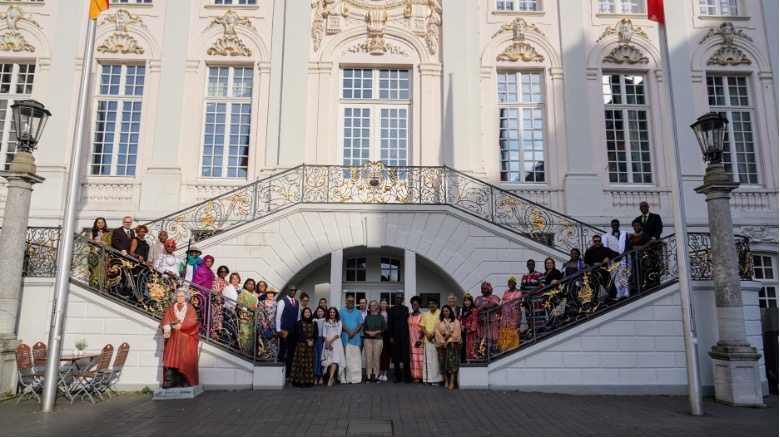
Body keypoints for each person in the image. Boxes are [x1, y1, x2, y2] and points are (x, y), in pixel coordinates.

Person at [159, 288, 199, 388]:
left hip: (185, 338)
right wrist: (168, 328)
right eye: (178, 296)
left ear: (186, 297)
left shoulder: (190, 309)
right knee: (170, 358)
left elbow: (193, 321)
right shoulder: (171, 308)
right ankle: (170, 380)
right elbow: (165, 321)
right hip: (173, 338)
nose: (179, 298)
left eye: (181, 296)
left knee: (185, 358)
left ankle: (185, 379)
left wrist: (182, 325)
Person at [634, 201, 664, 288]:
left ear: (648, 207)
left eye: (644, 206)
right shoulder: (638, 219)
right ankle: (644, 284)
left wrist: (654, 238)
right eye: (641, 206)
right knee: (643, 265)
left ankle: (655, 283)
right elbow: (637, 229)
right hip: (643, 246)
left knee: (654, 263)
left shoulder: (655, 217)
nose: (643, 208)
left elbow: (659, 229)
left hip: (653, 245)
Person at [276, 284, 302, 378]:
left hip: (293, 331)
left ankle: (288, 373)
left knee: (291, 351)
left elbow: (298, 318)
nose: (293, 292)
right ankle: (280, 373)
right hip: (284, 330)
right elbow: (278, 317)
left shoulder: (297, 302)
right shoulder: (282, 301)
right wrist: (278, 330)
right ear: (288, 291)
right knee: (283, 350)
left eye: (295, 290)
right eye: (291, 290)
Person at [583, 235, 619, 299]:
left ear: (601, 241)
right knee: (594, 290)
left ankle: (612, 301)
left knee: (611, 288)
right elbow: (586, 261)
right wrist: (594, 263)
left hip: (605, 272)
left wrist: (608, 257)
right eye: (595, 241)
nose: (597, 243)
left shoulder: (606, 249)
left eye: (598, 241)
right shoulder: (589, 251)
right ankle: (595, 304)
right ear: (593, 242)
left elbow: (617, 254)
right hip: (594, 273)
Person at [435, 304, 462, 390]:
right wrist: (443, 342)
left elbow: (457, 334)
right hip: (442, 345)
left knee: (452, 364)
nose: (445, 313)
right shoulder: (439, 321)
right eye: (444, 311)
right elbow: (437, 332)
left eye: (447, 311)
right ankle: (446, 381)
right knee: (443, 363)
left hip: (452, 345)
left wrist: (448, 341)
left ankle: (452, 382)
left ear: (450, 311)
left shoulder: (456, 321)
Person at [602, 219, 631, 299]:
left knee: (624, 274)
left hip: (623, 257)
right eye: (614, 225)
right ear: (611, 226)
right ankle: (618, 292)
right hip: (613, 259)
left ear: (619, 225)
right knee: (615, 276)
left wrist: (623, 254)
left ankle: (626, 291)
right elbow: (606, 248)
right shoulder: (606, 236)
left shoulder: (624, 234)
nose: (615, 226)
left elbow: (627, 246)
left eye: (616, 225)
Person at [290, 307, 318, 387]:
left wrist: (312, 340)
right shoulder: (299, 323)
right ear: (303, 314)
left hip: (310, 346)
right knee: (301, 363)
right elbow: (299, 333)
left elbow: (316, 334)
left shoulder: (314, 323)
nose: (307, 314)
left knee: (309, 363)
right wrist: (307, 341)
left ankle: (309, 381)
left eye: (309, 312)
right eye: (305, 312)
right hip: (301, 346)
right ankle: (299, 381)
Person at [339, 295, 364, 384]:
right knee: (346, 360)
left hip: (355, 339)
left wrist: (353, 332)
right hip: (345, 338)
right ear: (346, 301)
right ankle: (346, 378)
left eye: (352, 301)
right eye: (349, 301)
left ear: (354, 302)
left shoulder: (358, 312)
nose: (350, 302)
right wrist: (349, 332)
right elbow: (340, 323)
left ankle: (356, 378)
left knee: (355, 360)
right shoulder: (341, 311)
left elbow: (361, 324)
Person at [388, 293, 410, 383]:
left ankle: (407, 377)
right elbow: (389, 324)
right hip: (395, 337)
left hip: (405, 336)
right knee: (396, 358)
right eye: (398, 298)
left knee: (406, 358)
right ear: (395, 298)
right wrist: (391, 337)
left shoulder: (406, 309)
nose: (399, 299)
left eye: (401, 298)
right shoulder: (391, 309)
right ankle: (397, 377)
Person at [421, 298, 442, 385]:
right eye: (429, 304)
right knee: (427, 360)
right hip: (427, 340)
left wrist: (433, 334)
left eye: (433, 303)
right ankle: (428, 379)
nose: (431, 305)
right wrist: (427, 334)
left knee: (436, 361)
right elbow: (422, 326)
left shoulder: (440, 313)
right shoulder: (425, 314)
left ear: (436, 305)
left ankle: (436, 380)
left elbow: (441, 326)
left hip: (436, 340)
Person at [363, 300, 385, 384]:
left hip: (378, 339)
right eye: (371, 305)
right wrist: (368, 332)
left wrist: (376, 332)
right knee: (368, 358)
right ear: (369, 306)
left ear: (377, 306)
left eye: (374, 305)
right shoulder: (367, 317)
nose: (373, 307)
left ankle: (376, 376)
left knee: (376, 358)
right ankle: (368, 376)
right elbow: (364, 329)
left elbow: (384, 328)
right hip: (368, 339)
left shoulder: (381, 317)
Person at [475, 281, 500, 355]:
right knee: (482, 337)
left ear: (489, 289)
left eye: (485, 289)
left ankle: (492, 352)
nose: (484, 290)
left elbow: (494, 304)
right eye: (482, 289)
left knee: (491, 336)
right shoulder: (477, 298)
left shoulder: (494, 297)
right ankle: (482, 353)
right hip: (480, 322)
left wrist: (483, 307)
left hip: (491, 322)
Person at [321, 307, 345, 387]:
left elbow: (338, 333)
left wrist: (330, 342)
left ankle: (330, 378)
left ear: (336, 313)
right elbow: (324, 333)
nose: (332, 313)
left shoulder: (339, 322)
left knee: (335, 360)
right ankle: (332, 379)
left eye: (333, 312)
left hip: (336, 342)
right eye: (330, 312)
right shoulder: (325, 322)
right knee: (328, 360)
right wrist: (327, 342)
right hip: (327, 342)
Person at [499, 276, 524, 352]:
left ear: (515, 283)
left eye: (512, 282)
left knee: (513, 330)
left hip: (514, 315)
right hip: (505, 315)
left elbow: (516, 302)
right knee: (504, 330)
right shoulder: (506, 292)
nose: (510, 283)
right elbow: (502, 301)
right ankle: (504, 348)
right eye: (509, 282)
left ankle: (514, 348)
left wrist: (506, 303)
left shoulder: (518, 292)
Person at [629, 220, 652, 293]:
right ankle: (636, 288)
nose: (636, 227)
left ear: (641, 226)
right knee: (635, 273)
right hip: (634, 259)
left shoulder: (645, 235)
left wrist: (640, 247)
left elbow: (649, 245)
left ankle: (644, 288)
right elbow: (629, 246)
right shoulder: (632, 237)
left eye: (638, 225)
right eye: (634, 225)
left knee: (643, 273)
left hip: (643, 258)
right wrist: (633, 248)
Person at [237, 278, 259, 354]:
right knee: (245, 335)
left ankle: (250, 353)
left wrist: (256, 308)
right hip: (244, 319)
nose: (251, 285)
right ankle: (244, 352)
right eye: (249, 284)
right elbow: (239, 305)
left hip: (252, 319)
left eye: (252, 284)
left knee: (251, 337)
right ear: (246, 285)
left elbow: (256, 306)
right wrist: (249, 308)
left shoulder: (255, 295)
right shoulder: (242, 294)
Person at [257, 287, 279, 361]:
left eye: (271, 293)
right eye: (269, 293)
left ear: (273, 295)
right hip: (265, 326)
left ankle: (273, 359)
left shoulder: (277, 303)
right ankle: (263, 359)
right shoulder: (261, 303)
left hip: (274, 327)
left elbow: (278, 315)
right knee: (264, 343)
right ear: (266, 294)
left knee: (273, 344)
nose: (270, 295)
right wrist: (263, 322)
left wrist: (277, 328)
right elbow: (260, 313)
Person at [209, 265, 229, 340]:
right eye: (221, 271)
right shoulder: (216, 281)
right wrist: (223, 295)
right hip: (218, 304)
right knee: (216, 321)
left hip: (223, 304)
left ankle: (220, 337)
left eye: (225, 271)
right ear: (218, 272)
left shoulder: (225, 281)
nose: (223, 273)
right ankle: (215, 337)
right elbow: (216, 292)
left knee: (221, 321)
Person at [407, 296, 424, 383]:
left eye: (416, 304)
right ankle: (414, 376)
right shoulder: (409, 315)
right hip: (410, 340)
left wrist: (419, 339)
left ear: (419, 305)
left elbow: (423, 329)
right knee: (412, 359)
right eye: (413, 304)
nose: (414, 306)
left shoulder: (422, 316)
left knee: (419, 359)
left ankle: (421, 376)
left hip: (418, 340)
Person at [459, 293, 479, 361]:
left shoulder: (474, 310)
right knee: (464, 347)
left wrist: (471, 328)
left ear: (471, 301)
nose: (467, 302)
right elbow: (459, 319)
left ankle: (472, 360)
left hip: (471, 332)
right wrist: (460, 325)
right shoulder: (463, 310)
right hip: (463, 331)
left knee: (471, 346)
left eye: (468, 301)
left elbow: (474, 319)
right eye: (465, 301)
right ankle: (464, 360)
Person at [378, 298, 391, 382]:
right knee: (379, 354)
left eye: (384, 303)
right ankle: (380, 373)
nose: (383, 305)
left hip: (387, 336)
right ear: (380, 304)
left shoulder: (390, 313)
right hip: (379, 335)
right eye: (382, 303)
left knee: (386, 355)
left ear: (387, 305)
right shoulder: (377, 313)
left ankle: (385, 373)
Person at [313, 306, 326, 384]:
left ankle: (321, 376)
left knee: (322, 358)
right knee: (315, 358)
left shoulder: (326, 321)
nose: (320, 313)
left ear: (324, 312)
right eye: (318, 311)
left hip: (323, 340)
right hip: (315, 340)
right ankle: (315, 376)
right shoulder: (314, 321)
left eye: (321, 311)